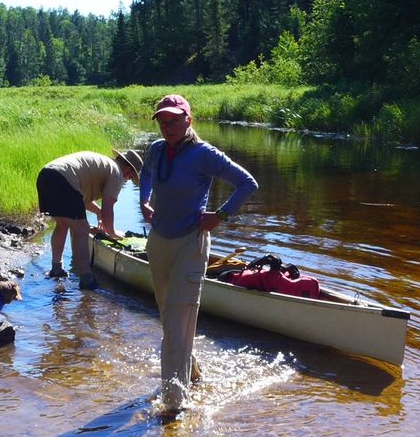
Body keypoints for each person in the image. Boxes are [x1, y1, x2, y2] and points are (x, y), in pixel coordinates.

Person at [138, 94, 257, 412]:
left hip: (191, 244)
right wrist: (144, 200)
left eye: (174, 120)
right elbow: (146, 172)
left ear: (188, 120)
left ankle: (174, 404)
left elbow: (247, 183)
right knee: (169, 318)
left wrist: (221, 215)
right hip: (159, 242)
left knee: (177, 321)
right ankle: (192, 373)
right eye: (163, 122)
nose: (168, 127)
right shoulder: (156, 149)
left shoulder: (204, 154)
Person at [36, 149, 141, 289]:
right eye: (130, 177)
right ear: (128, 170)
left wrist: (98, 212)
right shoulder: (116, 172)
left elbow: (80, 199)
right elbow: (108, 208)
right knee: (82, 230)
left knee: (62, 224)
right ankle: (86, 280)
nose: (127, 180)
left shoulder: (103, 166)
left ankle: (56, 269)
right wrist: (113, 233)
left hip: (46, 175)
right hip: (62, 179)